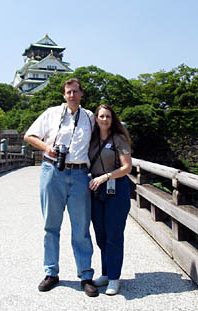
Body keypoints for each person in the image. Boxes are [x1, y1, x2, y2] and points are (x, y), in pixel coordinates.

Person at [24, 78, 99, 297]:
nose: (72, 95)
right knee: (50, 225)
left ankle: (86, 274)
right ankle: (51, 272)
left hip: (79, 174)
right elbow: (29, 136)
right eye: (68, 92)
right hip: (52, 172)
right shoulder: (51, 113)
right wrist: (47, 147)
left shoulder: (89, 117)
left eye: (75, 91)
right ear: (63, 95)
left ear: (81, 93)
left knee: (81, 228)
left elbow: (101, 138)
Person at [89, 104, 132, 296]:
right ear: (96, 119)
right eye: (101, 116)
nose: (104, 119)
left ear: (112, 119)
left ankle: (114, 277)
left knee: (114, 234)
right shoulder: (92, 139)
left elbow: (127, 167)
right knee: (101, 234)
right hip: (97, 190)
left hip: (116, 188)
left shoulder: (119, 138)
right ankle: (106, 272)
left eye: (107, 116)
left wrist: (106, 177)